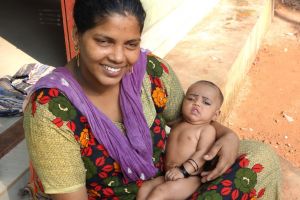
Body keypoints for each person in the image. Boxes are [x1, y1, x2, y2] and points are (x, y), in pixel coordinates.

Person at [23, 0, 280, 199]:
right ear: (78, 35)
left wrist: (228, 136)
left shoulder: (148, 72)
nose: (118, 57)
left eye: (130, 44)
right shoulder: (50, 109)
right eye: (104, 41)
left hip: (169, 184)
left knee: (260, 157)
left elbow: (188, 117)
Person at [137, 80, 223, 200]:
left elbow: (203, 154)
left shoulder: (206, 130)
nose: (197, 103)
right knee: (145, 188)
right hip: (168, 174)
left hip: (190, 178)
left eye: (206, 102)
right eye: (191, 98)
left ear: (215, 114)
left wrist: (183, 171)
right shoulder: (177, 124)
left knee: (160, 192)